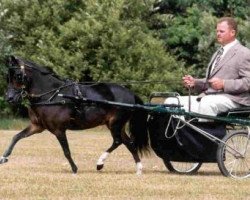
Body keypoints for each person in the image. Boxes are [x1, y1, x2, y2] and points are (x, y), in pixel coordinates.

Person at [165, 17, 250, 117]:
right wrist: (195, 83)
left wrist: (224, 84)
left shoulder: (244, 53)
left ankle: (209, 132)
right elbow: (210, 83)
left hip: (235, 99)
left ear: (232, 33)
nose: (218, 34)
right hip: (210, 97)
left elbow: (248, 82)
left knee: (206, 103)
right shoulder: (218, 53)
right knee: (172, 102)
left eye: (221, 31)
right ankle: (182, 132)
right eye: (217, 31)